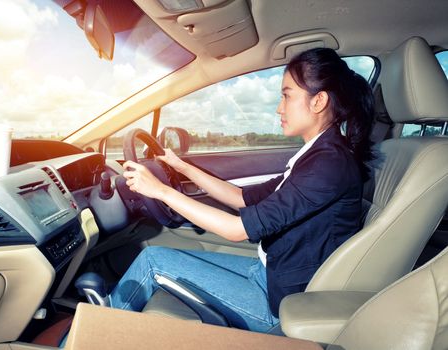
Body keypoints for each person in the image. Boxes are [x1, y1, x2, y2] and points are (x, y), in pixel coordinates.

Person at [108, 47, 375, 333]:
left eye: (286, 95)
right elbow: (242, 197)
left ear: (318, 101)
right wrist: (183, 167)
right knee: (155, 256)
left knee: (151, 261)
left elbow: (237, 230)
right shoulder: (318, 156)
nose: (279, 108)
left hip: (282, 303)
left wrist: (161, 191)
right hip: (269, 273)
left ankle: (92, 333)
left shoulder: (329, 165)